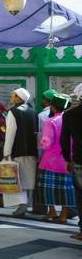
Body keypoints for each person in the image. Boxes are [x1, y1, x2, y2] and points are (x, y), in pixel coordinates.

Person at [38, 93, 75, 224]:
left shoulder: (51, 122)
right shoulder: (71, 119)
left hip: (50, 161)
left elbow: (46, 142)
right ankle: (64, 214)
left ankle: (52, 211)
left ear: (53, 107)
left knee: (48, 188)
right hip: (67, 160)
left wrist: (39, 141)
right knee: (65, 189)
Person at [3, 88, 39, 218]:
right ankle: (26, 204)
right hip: (31, 151)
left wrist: (6, 152)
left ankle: (21, 205)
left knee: (17, 179)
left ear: (19, 98)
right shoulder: (33, 111)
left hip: (17, 150)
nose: (11, 97)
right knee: (27, 179)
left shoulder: (13, 112)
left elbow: (10, 133)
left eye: (13, 95)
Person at [59, 83, 82, 240]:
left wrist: (67, 159)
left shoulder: (70, 114)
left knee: (80, 195)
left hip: (79, 161)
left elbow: (64, 141)